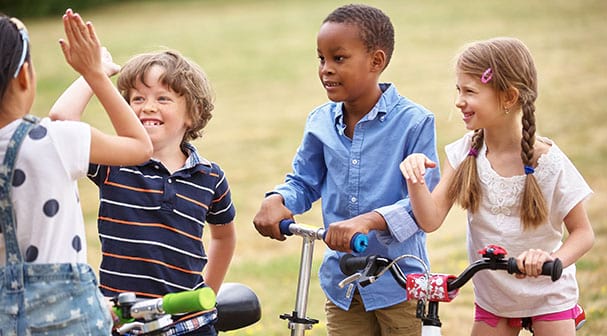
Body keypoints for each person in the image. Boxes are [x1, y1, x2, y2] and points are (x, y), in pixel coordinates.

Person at [253, 4, 439, 335]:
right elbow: (304, 181)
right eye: (321, 59)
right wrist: (279, 199)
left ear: (376, 61)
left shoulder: (414, 122)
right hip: (344, 285)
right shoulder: (319, 121)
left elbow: (422, 205)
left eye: (338, 59)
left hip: (399, 283)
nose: (326, 69)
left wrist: (368, 221)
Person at [400, 37, 594, 336]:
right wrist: (414, 181)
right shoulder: (466, 153)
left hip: (548, 294)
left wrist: (552, 260)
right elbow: (430, 219)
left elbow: (583, 233)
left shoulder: (549, 162)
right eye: (458, 90)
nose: (459, 101)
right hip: (494, 299)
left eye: (470, 91)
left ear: (509, 97)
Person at [50, 48, 236, 335]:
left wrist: (206, 294)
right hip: (125, 323)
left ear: (193, 113)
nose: (148, 107)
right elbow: (62, 121)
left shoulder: (210, 177)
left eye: (163, 98)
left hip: (190, 325)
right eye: (137, 99)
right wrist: (94, 73)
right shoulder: (114, 163)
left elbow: (224, 235)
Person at [0, 9, 152, 335]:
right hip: (68, 320)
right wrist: (94, 74)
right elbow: (139, 146)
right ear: (24, 76)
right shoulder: (53, 141)